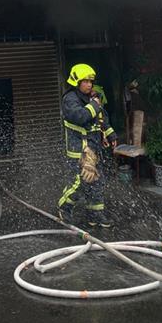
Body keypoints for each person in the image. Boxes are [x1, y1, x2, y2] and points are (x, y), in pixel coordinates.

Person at [58, 63, 118, 228]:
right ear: (76, 82)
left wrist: (110, 134)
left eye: (91, 81)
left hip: (93, 149)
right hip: (79, 150)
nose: (89, 84)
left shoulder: (93, 98)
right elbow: (80, 116)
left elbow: (102, 118)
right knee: (80, 182)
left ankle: (95, 215)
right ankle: (64, 207)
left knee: (97, 182)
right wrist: (94, 105)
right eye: (85, 81)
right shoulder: (70, 99)